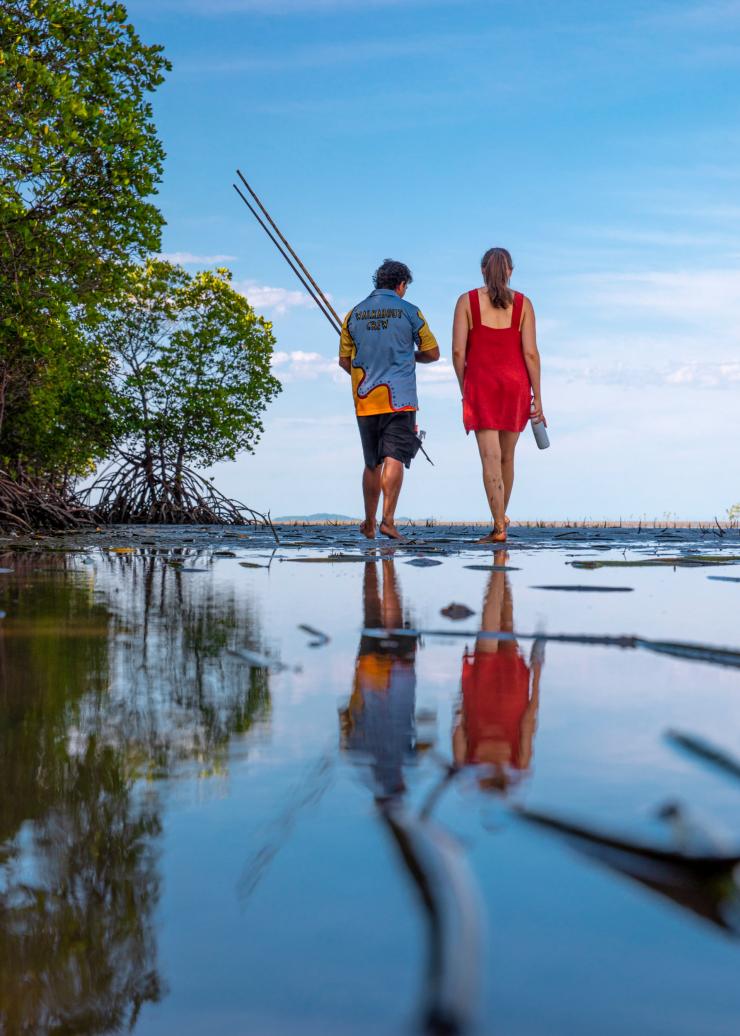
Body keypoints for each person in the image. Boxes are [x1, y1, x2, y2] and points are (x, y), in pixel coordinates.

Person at [339, 259, 440, 541]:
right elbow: (433, 353)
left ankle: (369, 523)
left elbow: (344, 361)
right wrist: (410, 356)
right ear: (401, 285)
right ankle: (388, 521)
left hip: (365, 399)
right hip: (400, 398)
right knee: (395, 456)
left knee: (372, 462)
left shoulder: (353, 314)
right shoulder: (410, 312)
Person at [452, 247, 545, 544]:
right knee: (507, 457)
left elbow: (458, 352)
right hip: (515, 385)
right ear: (510, 271)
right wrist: (538, 397)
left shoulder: (466, 302)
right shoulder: (524, 304)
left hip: (481, 384)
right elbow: (530, 353)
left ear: (482, 270)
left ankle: (498, 527)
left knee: (489, 457)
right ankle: (501, 518)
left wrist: (463, 386)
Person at [452, 556, 543, 792]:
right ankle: (500, 566)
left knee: (498, 625)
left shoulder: (471, 762)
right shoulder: (515, 764)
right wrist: (537, 674)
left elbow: (459, 725)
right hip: (502, 696)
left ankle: (500, 565)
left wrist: (537, 675)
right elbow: (529, 721)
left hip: (490, 695)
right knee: (500, 625)